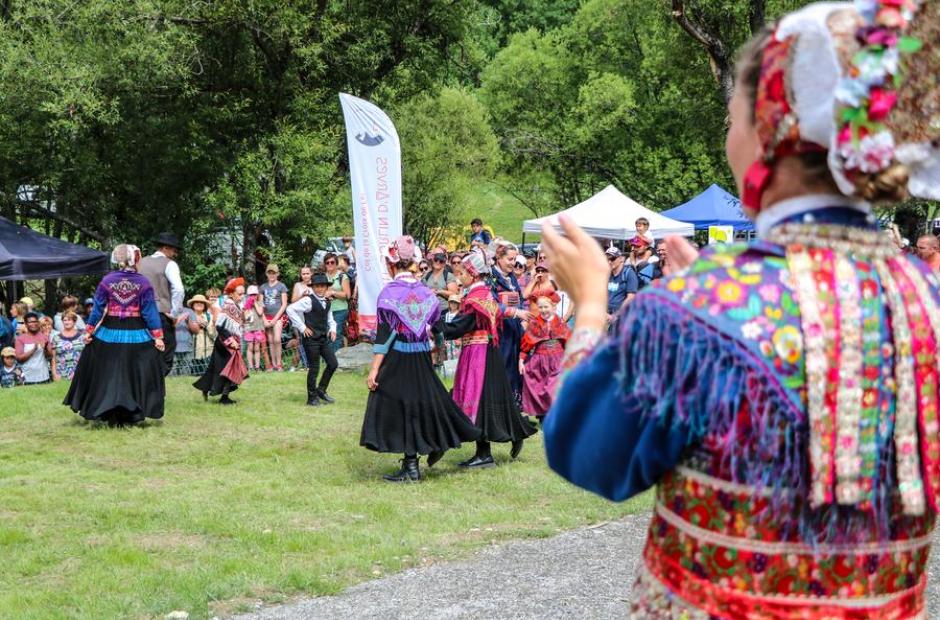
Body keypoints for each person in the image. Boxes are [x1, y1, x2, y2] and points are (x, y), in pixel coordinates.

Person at [542, 1, 940, 616]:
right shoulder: (927, 298)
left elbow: (589, 455)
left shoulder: (697, 309)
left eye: (733, 118)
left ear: (769, 130)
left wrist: (591, 304)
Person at [360, 236, 481, 482]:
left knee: (393, 403)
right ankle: (416, 461)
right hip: (422, 356)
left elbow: (384, 335)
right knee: (424, 403)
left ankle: (414, 463)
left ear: (391, 263)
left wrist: (374, 369)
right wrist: (436, 347)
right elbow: (437, 328)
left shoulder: (389, 293)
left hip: (399, 357)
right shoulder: (426, 292)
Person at [441, 250, 537, 467]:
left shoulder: (476, 297)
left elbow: (461, 325)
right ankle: (508, 438)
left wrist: (437, 327)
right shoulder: (483, 293)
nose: (459, 278)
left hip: (479, 353)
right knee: (489, 399)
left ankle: (484, 453)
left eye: (462, 273)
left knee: (480, 399)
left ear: (472, 273)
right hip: (486, 350)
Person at [65, 245, 165, 425]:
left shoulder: (107, 280)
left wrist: (89, 331)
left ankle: (106, 410)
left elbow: (97, 309)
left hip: (108, 332)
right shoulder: (143, 283)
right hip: (136, 332)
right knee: (134, 372)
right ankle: (132, 412)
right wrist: (157, 336)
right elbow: (149, 311)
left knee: (108, 372)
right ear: (135, 259)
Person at [286, 273, 338, 407]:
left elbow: (330, 318)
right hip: (311, 340)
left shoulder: (327, 301)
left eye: (322, 286)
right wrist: (302, 327)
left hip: (323, 338)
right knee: (314, 368)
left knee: (333, 363)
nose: (320, 289)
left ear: (326, 287)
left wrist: (333, 329)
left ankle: (321, 390)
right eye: (317, 286)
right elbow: (290, 309)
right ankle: (312, 398)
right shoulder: (308, 301)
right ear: (313, 287)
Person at [194, 278, 249, 405]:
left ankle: (212, 391)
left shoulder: (237, 305)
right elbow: (219, 326)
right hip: (225, 343)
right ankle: (223, 397)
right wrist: (231, 340)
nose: (242, 296)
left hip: (230, 341)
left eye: (243, 294)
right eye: (239, 294)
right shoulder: (229, 306)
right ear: (232, 294)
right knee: (227, 369)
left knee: (222, 368)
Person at [138, 232, 185, 375]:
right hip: (160, 314)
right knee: (166, 353)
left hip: (139, 314)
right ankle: (155, 385)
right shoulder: (169, 264)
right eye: (174, 250)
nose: (175, 254)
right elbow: (178, 289)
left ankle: (143, 383)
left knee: (143, 352)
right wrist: (174, 313)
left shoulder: (140, 262)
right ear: (165, 248)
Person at [519, 293, 570, 423]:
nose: (543, 310)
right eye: (540, 307)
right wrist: (521, 360)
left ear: (553, 307)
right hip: (539, 360)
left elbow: (568, 342)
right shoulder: (535, 323)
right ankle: (543, 416)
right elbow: (526, 343)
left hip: (557, 360)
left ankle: (556, 415)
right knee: (539, 387)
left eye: (546, 307)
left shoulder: (560, 323)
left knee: (553, 389)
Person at [489, 241, 529, 402]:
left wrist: (523, 318)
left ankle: (516, 403)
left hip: (515, 329)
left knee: (516, 364)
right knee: (503, 365)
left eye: (515, 259)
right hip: (500, 331)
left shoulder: (511, 277)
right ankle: (502, 404)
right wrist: (516, 312)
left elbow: (520, 299)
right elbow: (490, 304)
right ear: (499, 257)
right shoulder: (491, 277)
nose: (513, 263)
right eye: (510, 259)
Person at [422, 252, 458, 371]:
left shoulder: (448, 275)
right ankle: (434, 366)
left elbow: (454, 293)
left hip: (444, 311)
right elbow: (420, 293)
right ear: (432, 261)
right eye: (436, 260)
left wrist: (439, 291)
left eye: (441, 261)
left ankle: (444, 366)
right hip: (429, 313)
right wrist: (428, 293)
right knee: (432, 341)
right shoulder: (426, 276)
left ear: (444, 263)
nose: (438, 262)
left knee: (443, 341)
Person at [260, 264, 289, 371]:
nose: (271, 275)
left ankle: (279, 363)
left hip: (278, 316)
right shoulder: (263, 287)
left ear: (277, 274)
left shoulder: (281, 286)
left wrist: (275, 319)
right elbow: (260, 304)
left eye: (274, 273)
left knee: (277, 339)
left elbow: (284, 304)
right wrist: (264, 319)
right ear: (266, 274)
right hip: (266, 317)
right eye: (269, 273)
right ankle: (273, 364)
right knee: (271, 340)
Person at [323, 253, 352, 353]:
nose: (330, 264)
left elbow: (347, 295)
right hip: (326, 310)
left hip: (340, 310)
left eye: (332, 262)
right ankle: (330, 358)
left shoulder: (342, 276)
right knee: (327, 335)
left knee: (336, 334)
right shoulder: (323, 277)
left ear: (336, 263)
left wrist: (333, 292)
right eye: (327, 262)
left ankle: (337, 359)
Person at [14, 312, 51, 384]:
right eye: (30, 322)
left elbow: (50, 356)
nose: (34, 324)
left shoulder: (44, 337)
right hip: (27, 378)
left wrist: (45, 348)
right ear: (26, 324)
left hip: (43, 376)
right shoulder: (20, 339)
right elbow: (19, 359)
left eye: (35, 321)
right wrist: (33, 350)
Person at [604, 246, 637, 323]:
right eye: (607, 259)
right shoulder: (608, 274)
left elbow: (631, 297)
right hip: (607, 314)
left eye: (612, 259)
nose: (609, 262)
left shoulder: (629, 273)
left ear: (621, 259)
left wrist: (616, 315)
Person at [50, 311, 85, 381]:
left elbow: (86, 357)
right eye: (65, 320)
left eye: (69, 320)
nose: (66, 322)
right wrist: (54, 374)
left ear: (74, 321)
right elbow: (53, 359)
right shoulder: (56, 338)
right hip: (61, 374)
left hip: (79, 373)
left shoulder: (82, 337)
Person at [187, 294, 216, 375]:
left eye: (201, 302)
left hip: (208, 353)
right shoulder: (187, 317)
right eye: (196, 302)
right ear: (192, 305)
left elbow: (214, 335)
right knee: (192, 377)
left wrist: (206, 325)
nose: (199, 303)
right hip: (192, 354)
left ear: (205, 305)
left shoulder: (210, 317)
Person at [242, 285, 266, 371]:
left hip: (258, 328)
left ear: (257, 295)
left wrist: (255, 303)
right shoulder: (245, 305)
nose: (253, 297)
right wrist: (247, 307)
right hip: (249, 328)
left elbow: (260, 313)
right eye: (251, 295)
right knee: (250, 348)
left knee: (257, 348)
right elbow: (245, 318)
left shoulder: (260, 303)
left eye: (255, 295)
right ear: (248, 295)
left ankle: (257, 367)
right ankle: (250, 367)